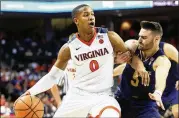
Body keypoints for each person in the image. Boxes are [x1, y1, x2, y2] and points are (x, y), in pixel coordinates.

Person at [21, 4, 149, 117]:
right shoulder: (68, 48)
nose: (91, 17)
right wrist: (29, 92)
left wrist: (141, 68)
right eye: (86, 15)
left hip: (103, 96)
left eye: (92, 14)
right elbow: (52, 77)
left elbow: (130, 57)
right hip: (77, 96)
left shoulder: (110, 37)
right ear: (76, 20)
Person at [115, 21, 171, 118]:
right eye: (139, 36)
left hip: (144, 105)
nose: (140, 40)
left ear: (156, 39)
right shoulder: (133, 45)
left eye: (144, 37)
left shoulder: (162, 60)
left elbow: (161, 77)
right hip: (121, 98)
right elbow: (126, 59)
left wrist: (158, 92)